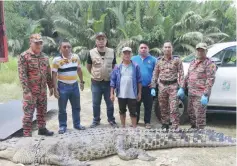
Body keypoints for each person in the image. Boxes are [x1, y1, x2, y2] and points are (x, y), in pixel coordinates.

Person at [18, 34, 54, 137]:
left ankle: (42, 129)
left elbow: (47, 73)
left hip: (42, 90)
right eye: (36, 43)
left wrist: (50, 86)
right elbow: (22, 75)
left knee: (42, 111)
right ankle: (27, 133)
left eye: (40, 43)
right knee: (28, 114)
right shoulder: (24, 56)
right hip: (31, 91)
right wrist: (26, 91)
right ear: (31, 43)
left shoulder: (44, 57)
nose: (39, 45)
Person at [52, 39, 85, 134]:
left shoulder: (76, 57)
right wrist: (55, 89)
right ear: (60, 48)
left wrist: (82, 82)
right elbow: (54, 75)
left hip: (74, 86)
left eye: (69, 47)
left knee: (76, 107)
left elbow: (79, 70)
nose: (67, 49)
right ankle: (62, 126)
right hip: (62, 86)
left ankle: (77, 124)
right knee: (62, 108)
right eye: (64, 47)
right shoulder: (56, 60)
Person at [151, 41, 184, 130]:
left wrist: (181, 87)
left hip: (173, 86)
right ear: (163, 49)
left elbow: (181, 74)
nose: (167, 49)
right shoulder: (159, 61)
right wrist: (153, 87)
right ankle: (165, 124)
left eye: (169, 47)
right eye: (165, 47)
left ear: (172, 49)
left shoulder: (177, 60)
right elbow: (155, 74)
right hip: (162, 86)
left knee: (174, 108)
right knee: (163, 107)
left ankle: (175, 126)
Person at [182, 42, 216, 129]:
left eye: (202, 50)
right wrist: (182, 88)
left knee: (199, 115)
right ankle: (193, 128)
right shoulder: (193, 62)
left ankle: (200, 132)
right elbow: (187, 76)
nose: (200, 52)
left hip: (201, 94)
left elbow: (210, 79)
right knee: (191, 112)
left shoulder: (209, 64)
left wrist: (205, 94)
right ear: (196, 51)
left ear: (206, 51)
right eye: (198, 50)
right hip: (191, 93)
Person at [86, 32, 117, 128]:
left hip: (108, 82)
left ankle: (111, 119)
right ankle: (96, 120)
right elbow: (88, 66)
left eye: (103, 39)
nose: (101, 41)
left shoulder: (112, 51)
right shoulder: (91, 52)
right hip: (96, 82)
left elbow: (114, 66)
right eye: (98, 39)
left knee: (110, 103)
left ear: (106, 41)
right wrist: (95, 74)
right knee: (96, 103)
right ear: (96, 41)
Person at [110, 47, 142, 128]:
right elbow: (113, 81)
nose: (127, 55)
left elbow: (139, 80)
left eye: (129, 53)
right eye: (125, 53)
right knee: (122, 111)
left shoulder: (135, 66)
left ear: (131, 54)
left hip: (132, 93)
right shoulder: (117, 67)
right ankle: (123, 127)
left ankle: (134, 128)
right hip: (121, 94)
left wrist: (139, 93)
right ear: (122, 55)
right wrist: (112, 93)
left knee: (133, 112)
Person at [131, 41, 156, 129]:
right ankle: (136, 121)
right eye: (141, 47)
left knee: (148, 106)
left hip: (148, 87)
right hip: (136, 87)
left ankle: (147, 122)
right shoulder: (133, 59)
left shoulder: (153, 60)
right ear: (139, 49)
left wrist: (154, 83)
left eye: (145, 47)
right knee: (136, 105)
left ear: (148, 49)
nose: (143, 49)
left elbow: (157, 73)